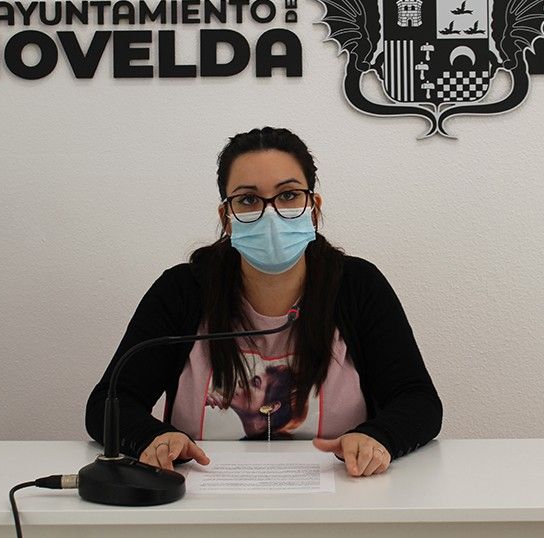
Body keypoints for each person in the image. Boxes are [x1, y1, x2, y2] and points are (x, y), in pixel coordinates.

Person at [85, 127, 442, 477]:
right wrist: (153, 438)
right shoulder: (182, 290)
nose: (270, 213)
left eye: (288, 195)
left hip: (343, 491)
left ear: (313, 208)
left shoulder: (357, 286)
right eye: (248, 200)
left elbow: (418, 400)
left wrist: (377, 437)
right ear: (227, 218)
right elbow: (109, 403)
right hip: (197, 496)